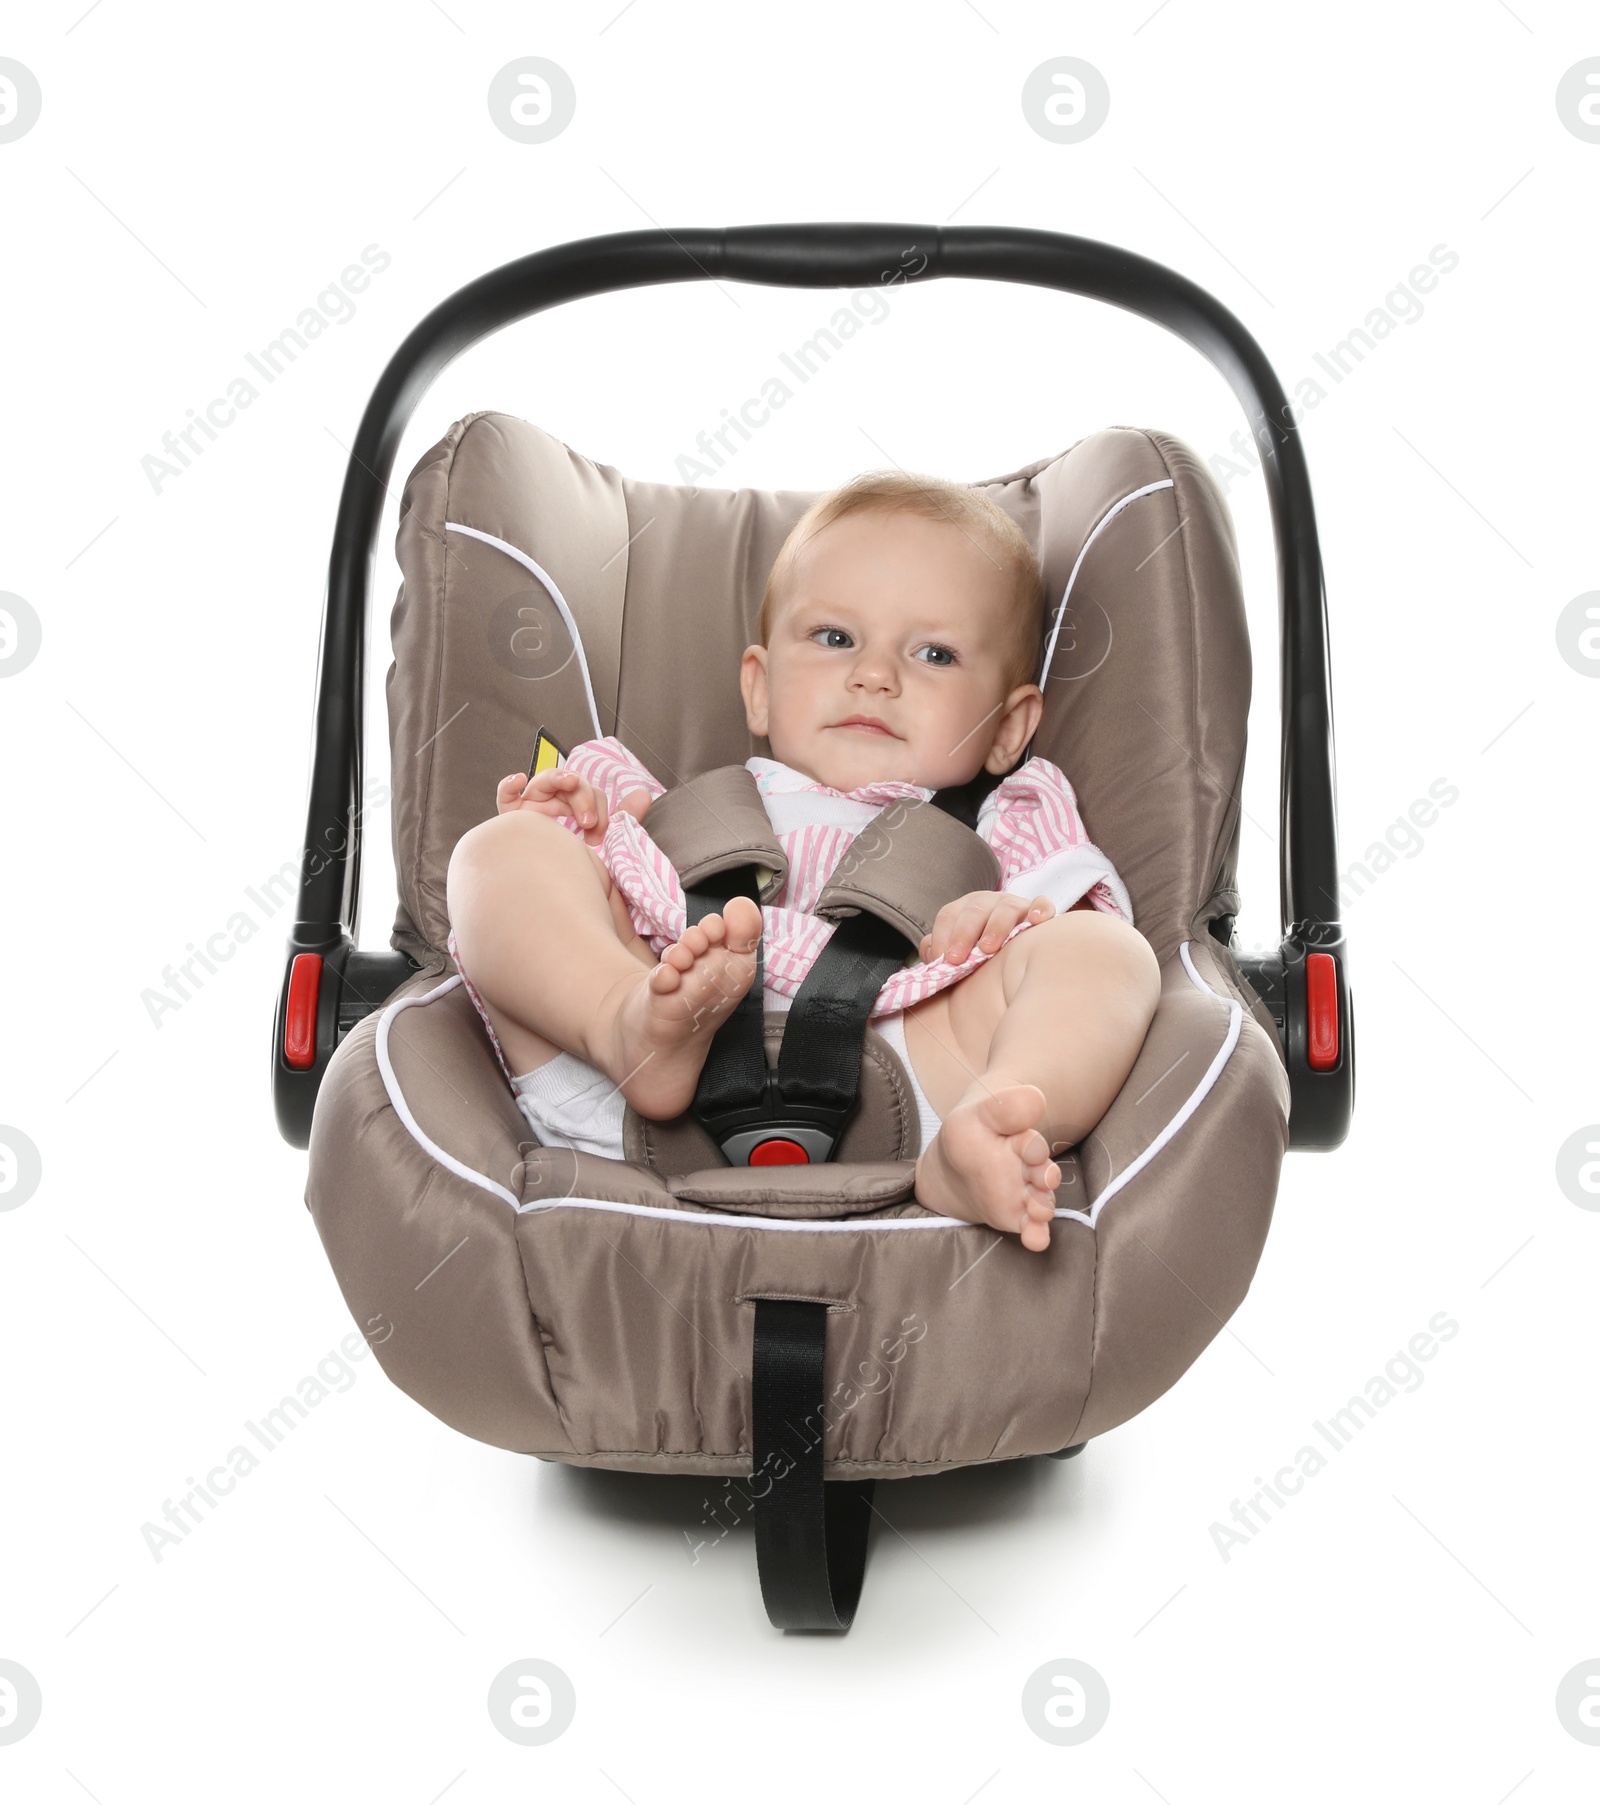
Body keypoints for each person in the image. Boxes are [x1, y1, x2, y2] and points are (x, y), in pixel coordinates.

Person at [446, 471, 1160, 1251]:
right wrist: (562, 823)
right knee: (499, 852)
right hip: (626, 1070)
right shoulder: (655, 801)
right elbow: (564, 883)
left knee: (1105, 953)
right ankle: (621, 1021)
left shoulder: (1010, 813)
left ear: (1008, 726)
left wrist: (1006, 915)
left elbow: (1068, 908)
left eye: (934, 653)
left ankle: (993, 1124)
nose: (875, 674)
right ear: (758, 687)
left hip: (921, 1070)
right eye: (834, 638)